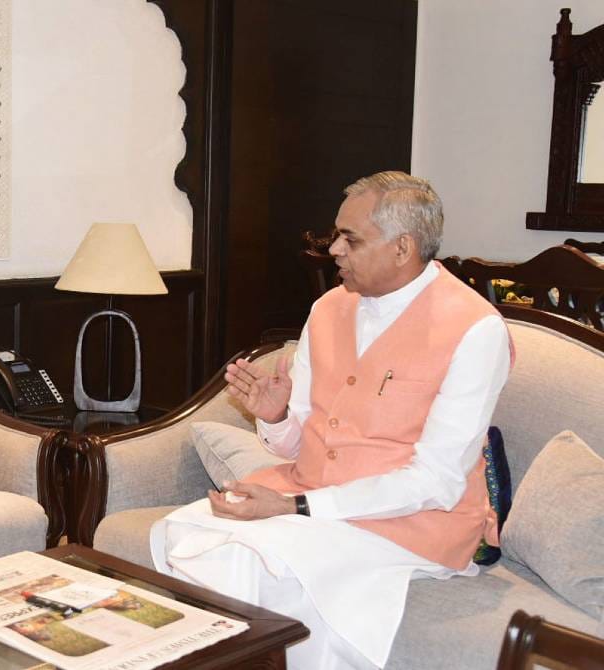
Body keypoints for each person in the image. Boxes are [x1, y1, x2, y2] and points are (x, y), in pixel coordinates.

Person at [151, 171, 513, 669]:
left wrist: (296, 507)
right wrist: (276, 416)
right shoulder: (327, 309)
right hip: (312, 493)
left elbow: (438, 482)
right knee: (181, 531)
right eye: (336, 235)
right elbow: (296, 444)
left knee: (244, 557)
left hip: (414, 521)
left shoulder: (475, 330)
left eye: (350, 239)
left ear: (403, 247)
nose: (334, 250)